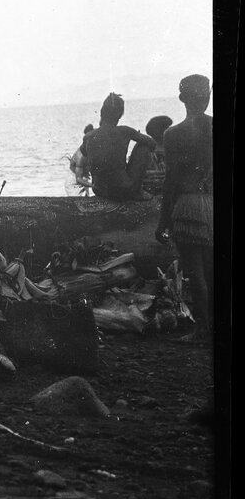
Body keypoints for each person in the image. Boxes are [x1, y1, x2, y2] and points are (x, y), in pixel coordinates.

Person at [155, 75, 213, 343]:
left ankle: (203, 330)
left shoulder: (173, 133)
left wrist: (163, 221)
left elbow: (171, 181)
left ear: (182, 98)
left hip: (188, 205)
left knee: (195, 271)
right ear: (208, 95)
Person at [79, 93, 158, 201]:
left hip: (99, 190)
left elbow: (84, 152)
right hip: (123, 189)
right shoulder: (125, 131)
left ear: (102, 112)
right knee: (143, 147)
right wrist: (136, 136)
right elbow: (152, 143)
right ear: (120, 115)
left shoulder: (88, 136)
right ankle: (138, 192)